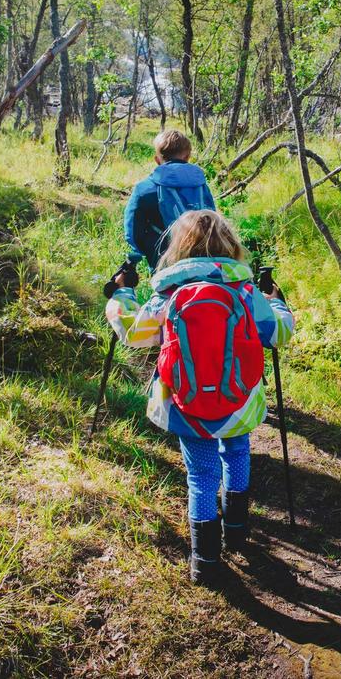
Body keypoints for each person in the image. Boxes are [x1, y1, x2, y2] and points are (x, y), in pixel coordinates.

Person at [105, 210, 294, 585]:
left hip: (185, 404)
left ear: (180, 247)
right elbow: (279, 334)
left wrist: (121, 294)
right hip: (238, 402)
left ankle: (204, 561)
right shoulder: (244, 291)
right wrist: (277, 303)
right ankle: (237, 530)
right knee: (237, 453)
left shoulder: (169, 294)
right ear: (229, 245)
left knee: (200, 477)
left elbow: (133, 333)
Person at [123, 129, 216, 271]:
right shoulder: (201, 185)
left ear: (157, 160)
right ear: (187, 157)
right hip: (202, 258)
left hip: (163, 260)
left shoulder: (144, 188)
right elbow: (213, 219)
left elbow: (132, 232)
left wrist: (149, 253)